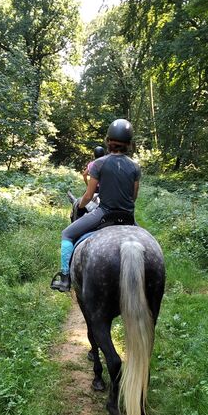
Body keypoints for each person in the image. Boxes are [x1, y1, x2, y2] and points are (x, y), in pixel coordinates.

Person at [50, 119, 141, 292]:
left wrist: (80, 205)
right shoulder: (135, 167)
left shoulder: (99, 164)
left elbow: (89, 195)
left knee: (67, 234)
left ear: (108, 141)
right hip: (128, 216)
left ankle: (65, 278)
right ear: (129, 144)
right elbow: (133, 196)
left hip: (104, 213)